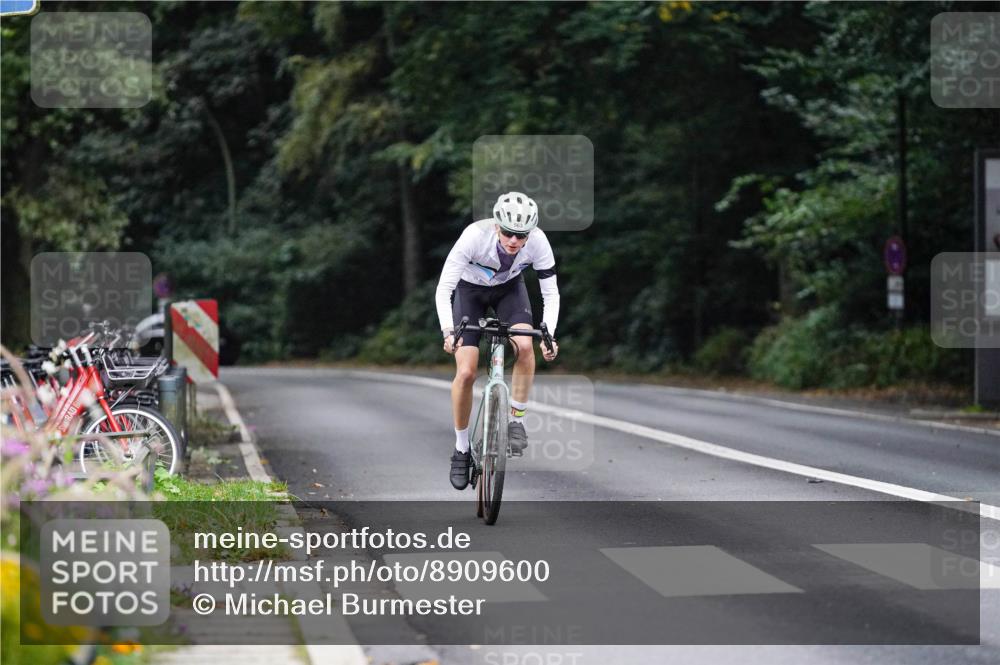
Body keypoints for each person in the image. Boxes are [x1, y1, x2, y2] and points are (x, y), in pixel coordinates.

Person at [435, 191, 560, 490]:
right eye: (507, 233)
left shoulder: (540, 242)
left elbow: (551, 293)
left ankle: (516, 419)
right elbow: (443, 289)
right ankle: (461, 449)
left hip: (508, 290)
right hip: (469, 292)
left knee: (526, 346)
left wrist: (549, 334)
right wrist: (448, 331)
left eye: (521, 235)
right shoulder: (473, 237)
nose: (514, 241)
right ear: (496, 226)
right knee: (466, 371)